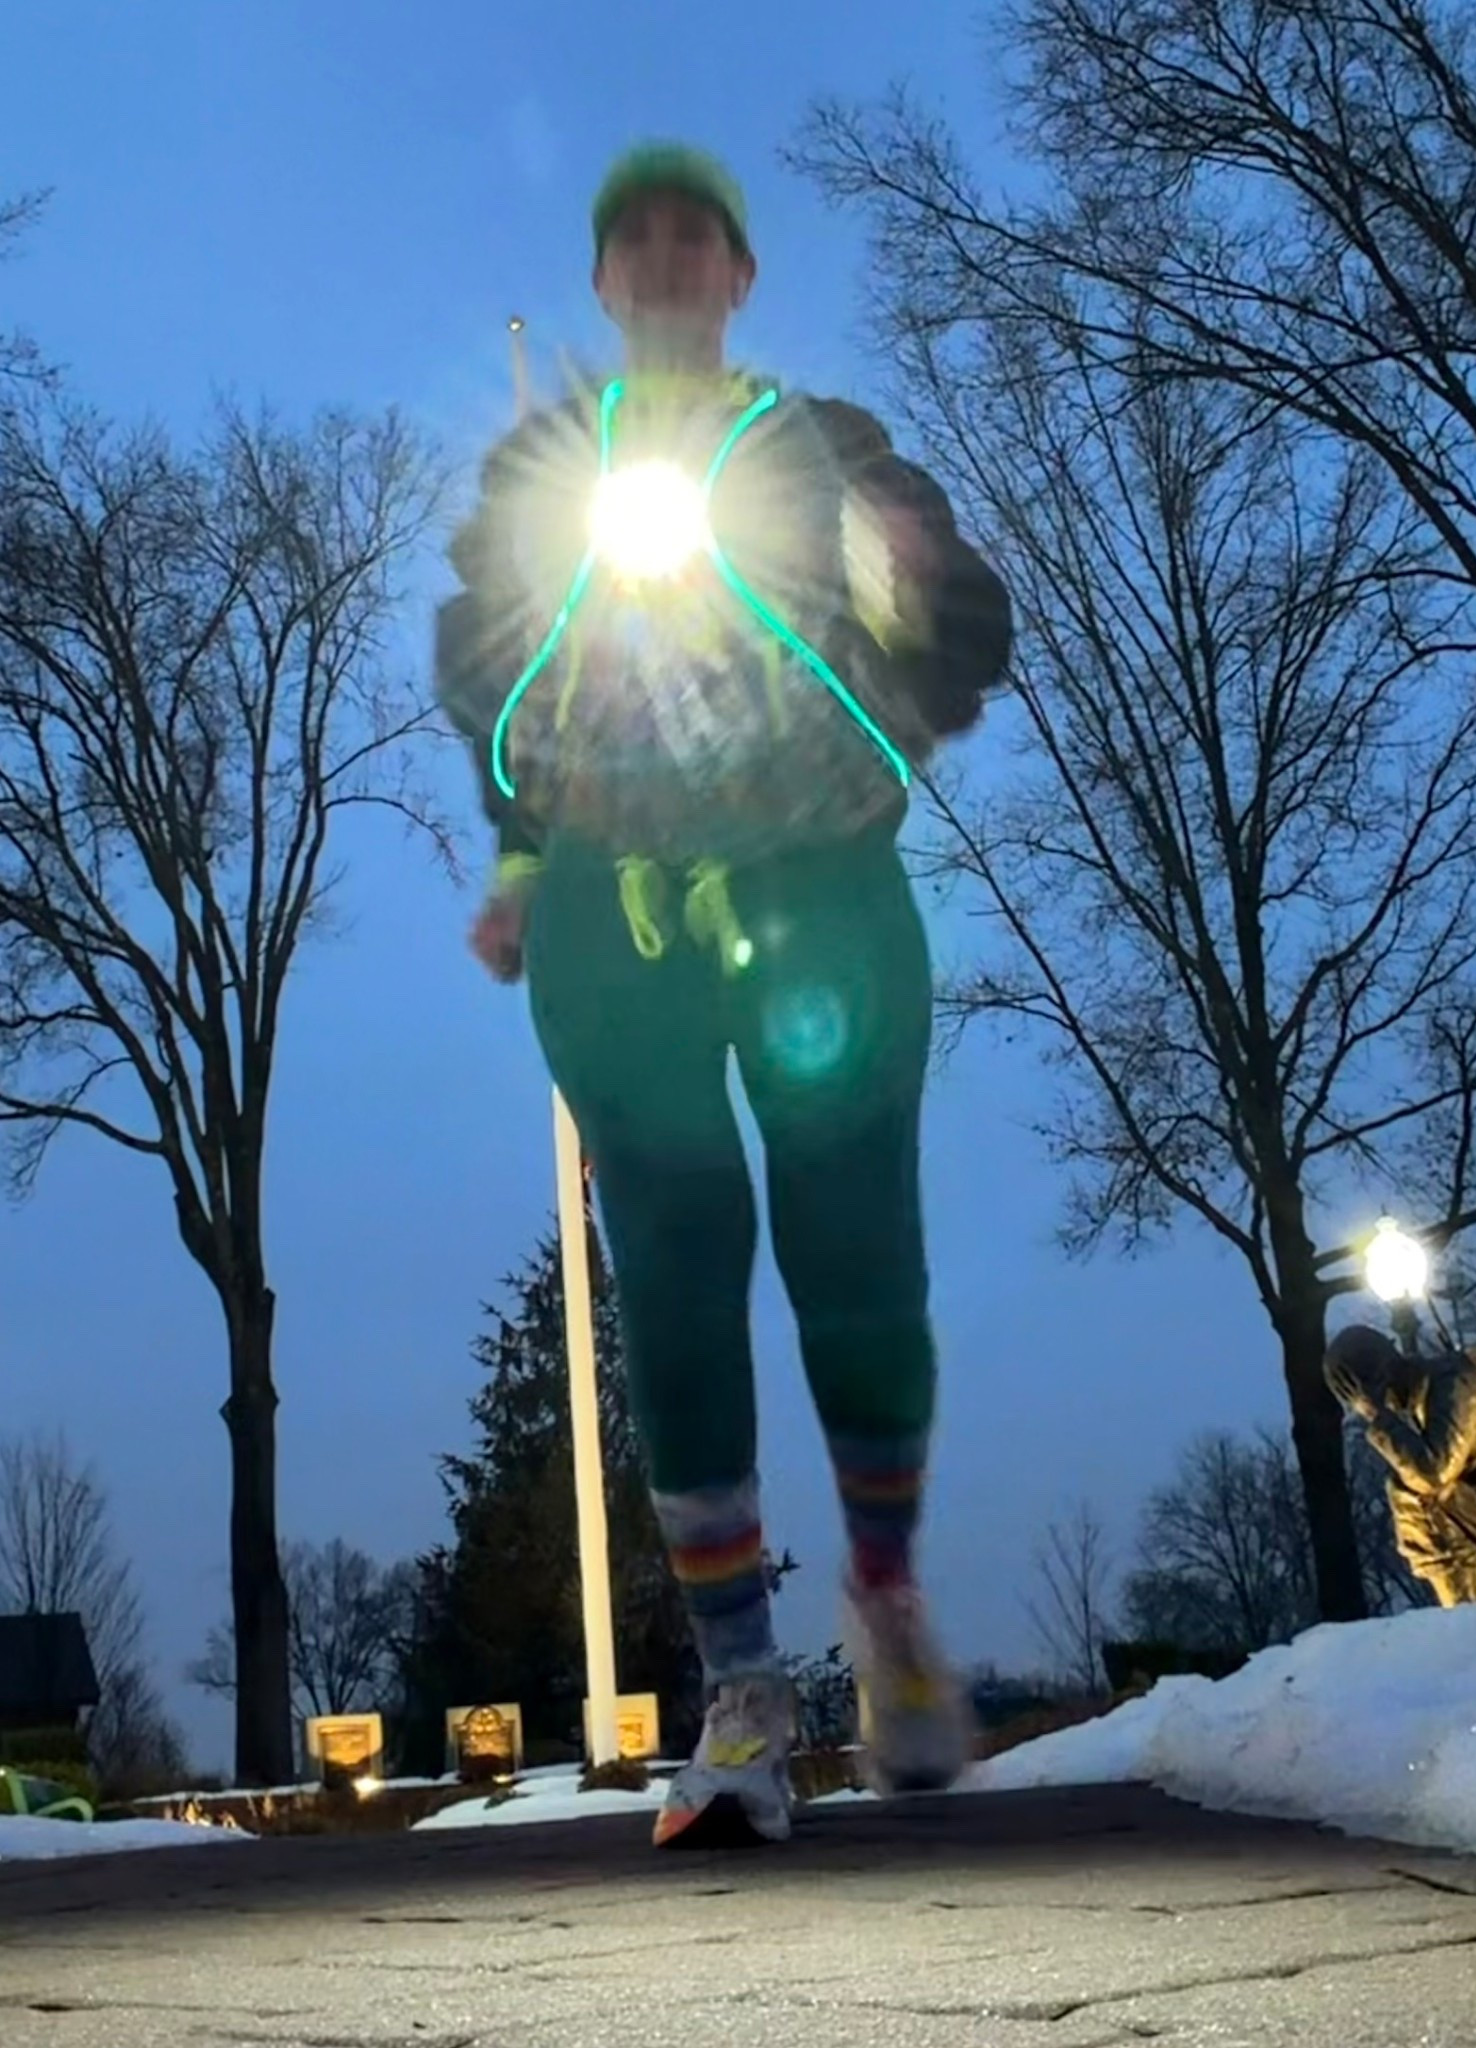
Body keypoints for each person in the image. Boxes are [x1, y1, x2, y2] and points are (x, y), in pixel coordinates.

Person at [436, 141, 1012, 1848]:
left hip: (816, 886)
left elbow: (958, 638)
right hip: (621, 918)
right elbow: (489, 672)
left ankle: (886, 1596)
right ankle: (741, 1683)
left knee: (855, 1245)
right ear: (605, 280)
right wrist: (521, 855)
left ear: (739, 274)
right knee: (675, 1271)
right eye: (639, 236)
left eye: (698, 233)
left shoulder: (820, 444)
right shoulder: (547, 469)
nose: (669, 256)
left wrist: (910, 595)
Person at [1324, 1324, 1476, 1606]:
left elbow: (1432, 1474)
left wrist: (1377, 1416)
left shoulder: (1453, 1383)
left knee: (1414, 1493)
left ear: (1379, 1380)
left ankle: (1462, 1620)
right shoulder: (1451, 1374)